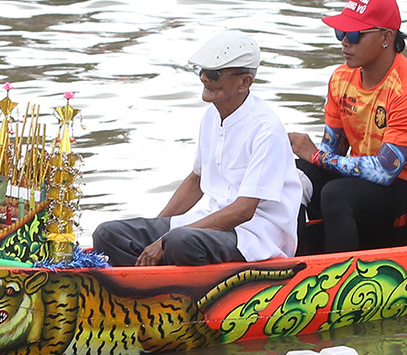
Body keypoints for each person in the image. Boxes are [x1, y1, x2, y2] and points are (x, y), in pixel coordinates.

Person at [91, 31, 307, 266]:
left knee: (180, 242)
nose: (204, 78)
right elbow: (196, 181)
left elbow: (243, 211)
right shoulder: (211, 116)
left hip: (255, 235)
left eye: (213, 73)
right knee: (107, 234)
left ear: (245, 82)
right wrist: (152, 239)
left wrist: (163, 241)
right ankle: (144, 282)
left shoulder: (266, 129)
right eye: (200, 71)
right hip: (208, 224)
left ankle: (168, 291)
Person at [288, 0, 407, 253]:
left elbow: (385, 172)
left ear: (387, 37)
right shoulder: (341, 78)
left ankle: (338, 278)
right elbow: (332, 152)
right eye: (340, 33)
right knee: (292, 175)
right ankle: (286, 261)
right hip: (369, 185)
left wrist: (317, 157)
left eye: (354, 35)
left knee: (337, 194)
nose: (345, 42)